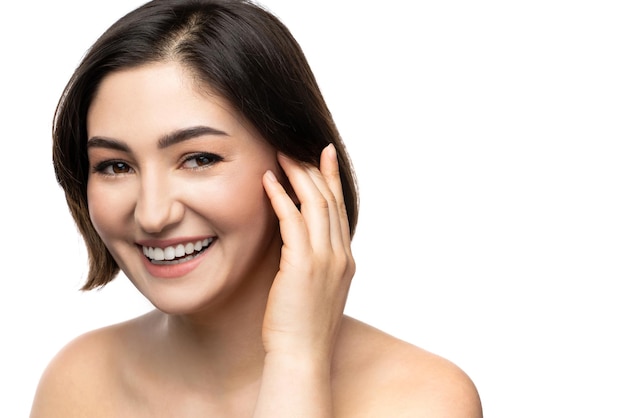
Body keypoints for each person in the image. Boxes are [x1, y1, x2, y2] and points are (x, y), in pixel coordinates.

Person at [30, 0, 482, 416]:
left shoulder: (422, 399)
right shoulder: (78, 384)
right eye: (115, 165)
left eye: (200, 159)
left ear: (298, 168)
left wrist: (296, 358)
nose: (152, 214)